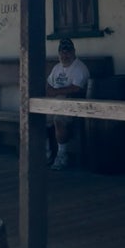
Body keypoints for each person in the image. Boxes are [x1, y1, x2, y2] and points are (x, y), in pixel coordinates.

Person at [45, 37, 90, 170]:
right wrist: (50, 92)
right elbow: (49, 85)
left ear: (74, 52)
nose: (65, 55)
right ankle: (46, 153)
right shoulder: (57, 68)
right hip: (55, 103)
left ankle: (62, 155)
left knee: (59, 120)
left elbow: (76, 89)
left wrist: (56, 92)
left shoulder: (79, 68)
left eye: (68, 52)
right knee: (36, 117)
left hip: (73, 105)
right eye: (62, 52)